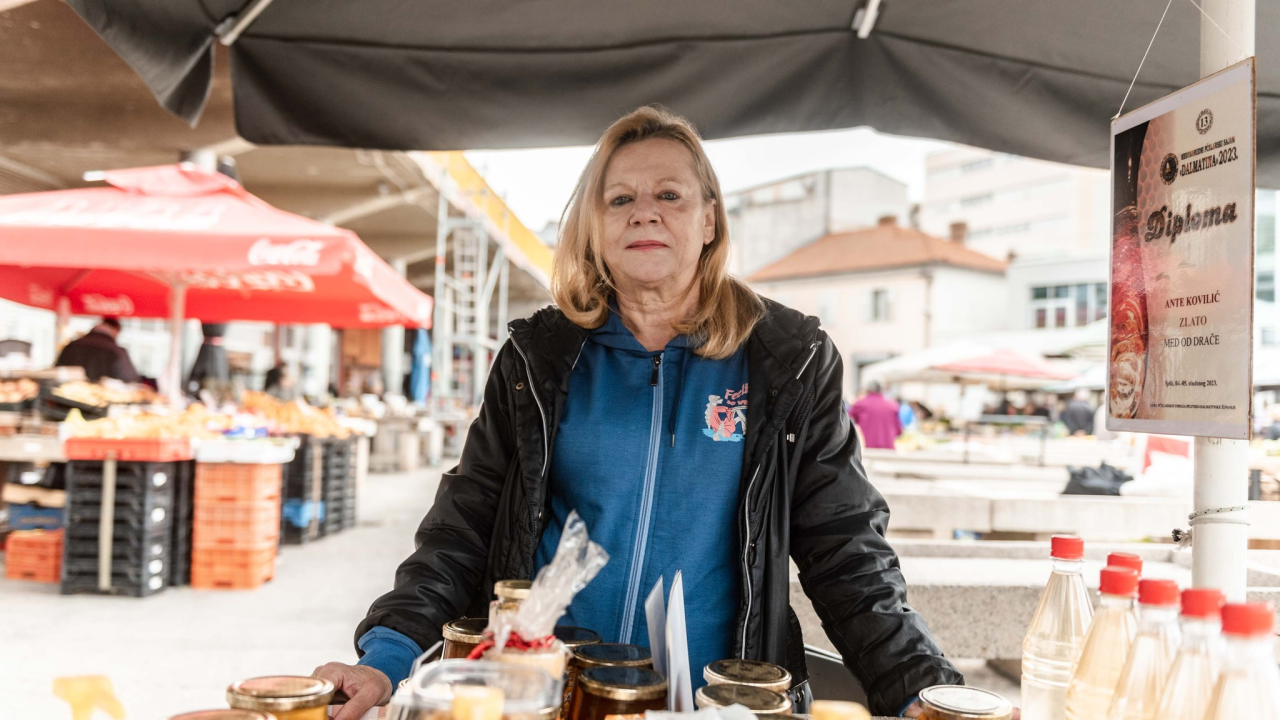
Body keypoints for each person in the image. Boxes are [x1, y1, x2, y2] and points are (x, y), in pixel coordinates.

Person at [313, 107, 960, 720]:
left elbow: (845, 548)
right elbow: (465, 523)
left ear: (710, 219)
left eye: (669, 195)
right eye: (620, 198)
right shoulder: (537, 356)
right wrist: (390, 654)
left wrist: (920, 688)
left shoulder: (788, 359)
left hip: (716, 699)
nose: (643, 213)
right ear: (595, 225)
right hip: (549, 692)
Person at [54, 317, 138, 382]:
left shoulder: (71, 345)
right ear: (116, 330)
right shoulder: (117, 352)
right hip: (101, 400)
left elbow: (56, 372)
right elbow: (131, 379)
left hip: (66, 398)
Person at [848, 381, 903, 450]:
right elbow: (899, 431)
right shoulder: (892, 406)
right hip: (888, 449)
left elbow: (848, 422)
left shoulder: (860, 404)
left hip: (866, 448)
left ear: (867, 390)